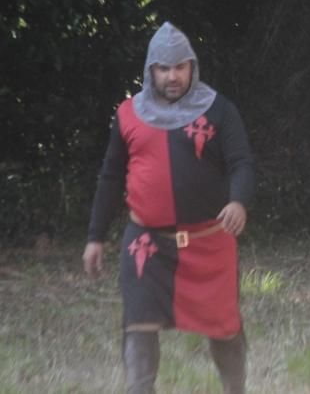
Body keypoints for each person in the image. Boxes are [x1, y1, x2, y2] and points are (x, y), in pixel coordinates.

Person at [82, 21, 254, 394]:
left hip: (209, 244)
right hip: (147, 243)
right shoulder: (128, 114)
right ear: (150, 71)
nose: (172, 76)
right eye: (164, 68)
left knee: (225, 329)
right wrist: (95, 237)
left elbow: (241, 162)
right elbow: (110, 177)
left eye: (180, 66)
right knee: (139, 324)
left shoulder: (219, 110)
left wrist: (238, 201)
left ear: (192, 67)